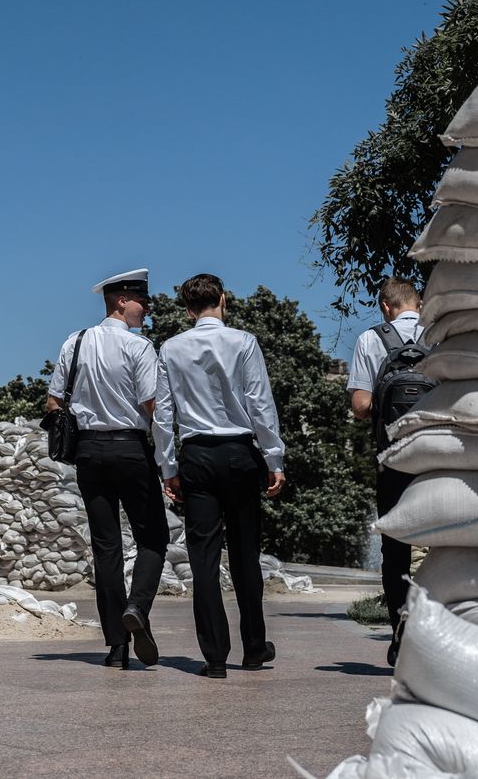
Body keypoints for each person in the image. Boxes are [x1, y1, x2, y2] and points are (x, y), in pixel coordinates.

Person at [154, 273, 286, 679]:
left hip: (196, 455)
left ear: (188, 310)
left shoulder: (171, 348)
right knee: (246, 554)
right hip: (240, 453)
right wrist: (274, 458)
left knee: (204, 559)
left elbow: (163, 413)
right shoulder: (243, 342)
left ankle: (214, 656)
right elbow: (259, 402)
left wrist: (168, 467)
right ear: (223, 300)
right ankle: (254, 647)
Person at [47, 268, 169, 669]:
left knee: (106, 547)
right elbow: (152, 406)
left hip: (89, 452)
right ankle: (137, 608)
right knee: (153, 538)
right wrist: (168, 457)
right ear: (121, 300)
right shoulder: (140, 347)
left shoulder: (75, 342)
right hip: (130, 449)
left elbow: (54, 402)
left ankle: (117, 646)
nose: (146, 310)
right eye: (142, 302)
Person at [347, 276, 425, 666]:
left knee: (395, 550)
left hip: (393, 459)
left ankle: (400, 633)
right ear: (420, 305)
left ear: (385, 307)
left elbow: (361, 407)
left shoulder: (370, 339)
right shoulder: (441, 335)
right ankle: (438, 633)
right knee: (443, 545)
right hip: (438, 460)